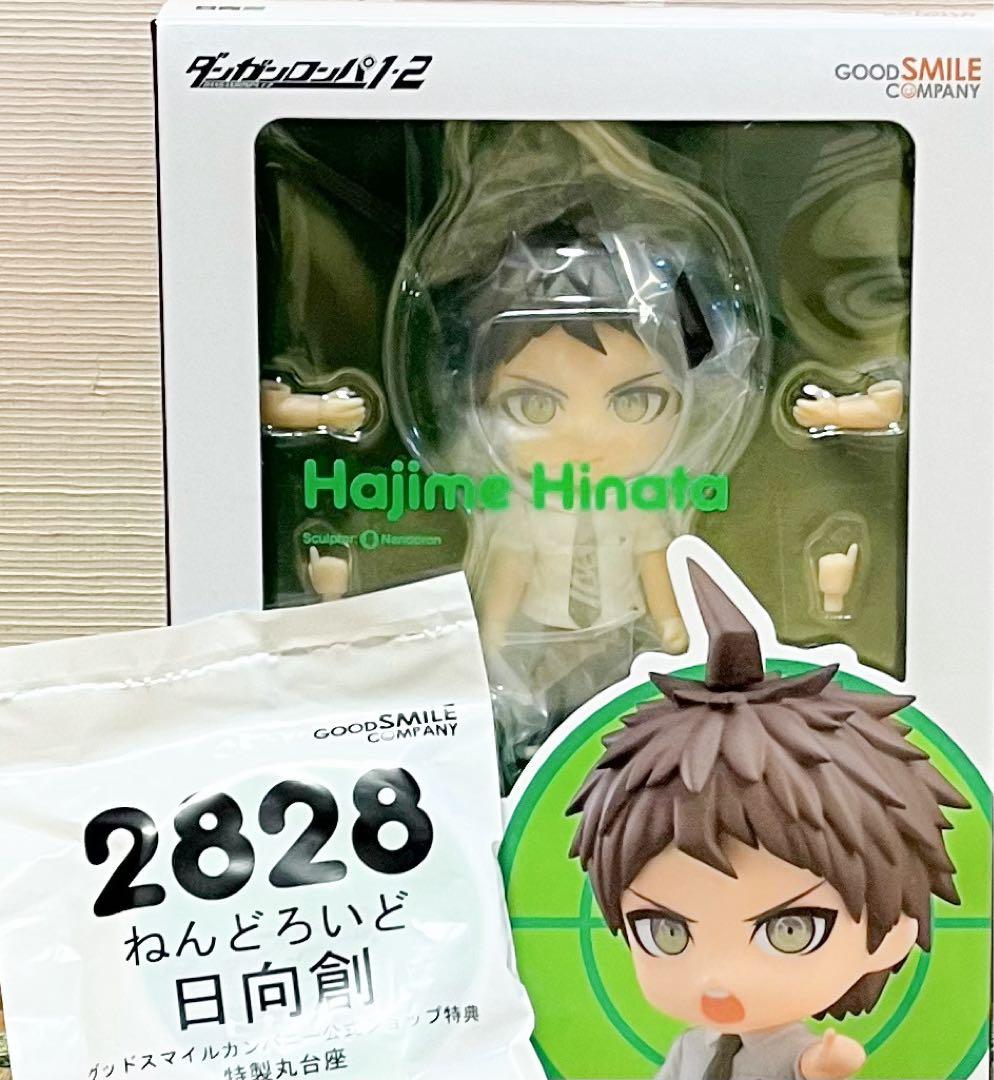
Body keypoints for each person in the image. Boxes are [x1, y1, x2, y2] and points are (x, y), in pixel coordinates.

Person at [569, 560, 967, 1080]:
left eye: (791, 930)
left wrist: (822, 1067)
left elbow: (804, 1069)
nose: (717, 979)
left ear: (891, 932)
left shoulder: (787, 1053)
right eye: (664, 932)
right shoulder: (692, 1047)